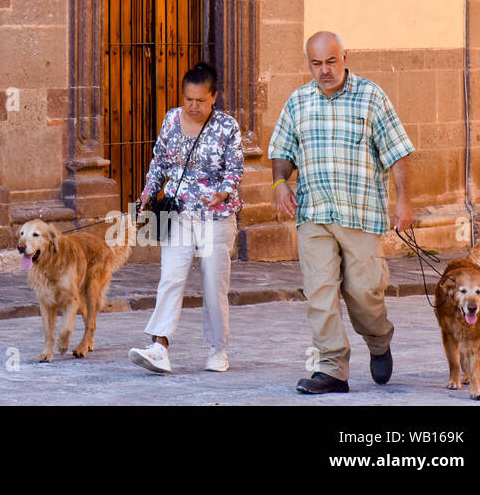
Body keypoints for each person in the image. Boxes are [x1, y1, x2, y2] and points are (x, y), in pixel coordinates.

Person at [269, 30, 415, 394]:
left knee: (365, 293)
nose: (324, 70)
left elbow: (397, 152)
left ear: (344, 57)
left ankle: (379, 341)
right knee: (319, 291)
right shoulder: (298, 101)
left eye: (331, 61)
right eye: (316, 63)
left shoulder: (371, 97)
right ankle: (332, 369)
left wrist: (404, 201)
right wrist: (280, 184)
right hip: (314, 213)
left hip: (361, 213)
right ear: (309, 64)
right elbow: (282, 150)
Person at [129, 62, 243, 375]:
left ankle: (218, 349)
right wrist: (147, 194)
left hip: (215, 216)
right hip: (178, 212)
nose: (193, 106)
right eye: (188, 99)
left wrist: (223, 192)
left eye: (201, 100)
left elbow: (235, 170)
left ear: (214, 97)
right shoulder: (170, 120)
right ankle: (159, 348)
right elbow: (159, 162)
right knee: (170, 277)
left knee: (213, 283)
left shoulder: (226, 127)